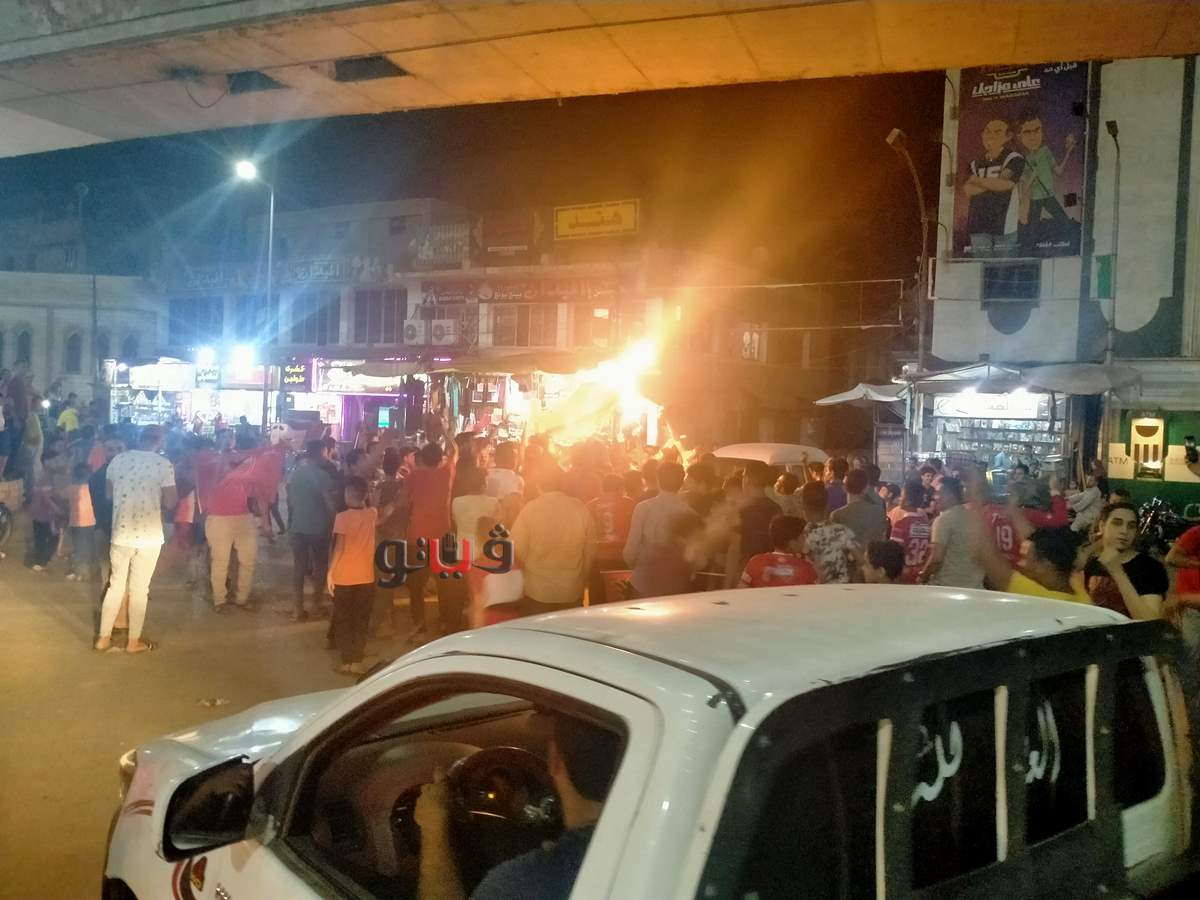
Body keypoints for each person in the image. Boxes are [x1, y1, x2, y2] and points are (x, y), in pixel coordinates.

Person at [416, 713, 620, 900]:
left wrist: (433, 827)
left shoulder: (520, 884)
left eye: (506, 791)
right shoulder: (630, 854)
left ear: (554, 760)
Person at [94, 426, 177, 653]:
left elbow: (109, 495)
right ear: (160, 441)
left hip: (121, 533)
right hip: (149, 536)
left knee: (115, 585)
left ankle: (103, 638)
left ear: (139, 439)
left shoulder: (117, 461)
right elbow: (171, 502)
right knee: (140, 589)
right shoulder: (164, 464)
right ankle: (133, 642)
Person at [511, 465, 596, 615]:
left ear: (538, 485)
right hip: (571, 589)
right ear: (563, 484)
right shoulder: (580, 509)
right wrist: (583, 580)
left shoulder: (530, 509)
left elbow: (517, 549)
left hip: (537, 589)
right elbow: (590, 552)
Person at [406, 438, 461, 638]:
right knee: (445, 584)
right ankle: (446, 622)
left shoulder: (414, 476)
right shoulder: (446, 474)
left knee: (416, 586)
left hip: (417, 536)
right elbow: (455, 450)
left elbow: (404, 500)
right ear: (439, 459)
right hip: (442, 536)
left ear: (423, 458)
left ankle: (419, 623)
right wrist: (445, 432)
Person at [327, 475, 379, 677]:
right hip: (365, 577)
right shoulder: (372, 514)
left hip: (344, 577)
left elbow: (339, 548)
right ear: (365, 495)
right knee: (361, 619)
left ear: (348, 494)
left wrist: (330, 573)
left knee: (343, 619)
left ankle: (346, 661)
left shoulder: (342, 518)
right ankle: (357, 661)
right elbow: (375, 506)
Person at [1080, 502, 1165, 619]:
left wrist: (1118, 572)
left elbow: (1149, 621)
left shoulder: (1150, 567)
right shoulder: (1092, 564)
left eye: (1131, 526)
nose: (1124, 531)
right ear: (1102, 526)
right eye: (1117, 523)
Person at [285, 440, 338, 621]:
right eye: (326, 453)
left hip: (298, 526)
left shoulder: (296, 473)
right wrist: (336, 520)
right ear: (321, 452)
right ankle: (316, 605)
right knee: (319, 567)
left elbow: (290, 500)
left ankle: (297, 609)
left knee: (299, 569)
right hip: (318, 528)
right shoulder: (322, 476)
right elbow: (329, 505)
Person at [1015, 110, 1078, 255]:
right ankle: (1029, 254)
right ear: (1020, 137)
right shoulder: (1025, 160)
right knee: (1031, 233)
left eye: (1037, 131)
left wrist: (1069, 152)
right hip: (1034, 199)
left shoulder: (1045, 151)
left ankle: (1070, 249)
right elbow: (1024, 188)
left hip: (1048, 196)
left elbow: (1059, 171)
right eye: (1027, 132)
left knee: (1064, 222)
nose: (1032, 137)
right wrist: (1032, 177)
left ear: (1042, 132)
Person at [623, 463, 690, 598]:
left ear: (658, 480)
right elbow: (695, 558)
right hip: (676, 585)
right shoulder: (689, 513)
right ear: (682, 482)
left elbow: (630, 552)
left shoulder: (643, 508)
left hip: (644, 582)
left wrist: (638, 567)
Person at [963, 117, 1025, 255]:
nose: (991, 136)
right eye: (987, 131)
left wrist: (975, 179)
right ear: (982, 135)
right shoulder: (974, 163)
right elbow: (969, 190)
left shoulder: (1014, 158)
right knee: (980, 266)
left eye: (997, 132)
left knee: (1003, 267)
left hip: (1005, 226)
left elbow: (1005, 184)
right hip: (978, 226)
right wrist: (995, 183)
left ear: (1008, 137)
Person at [919, 476, 984, 589]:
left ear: (950, 495)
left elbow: (937, 558)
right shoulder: (974, 518)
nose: (935, 497)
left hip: (947, 587)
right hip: (975, 587)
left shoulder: (944, 520)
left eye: (939, 493)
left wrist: (923, 576)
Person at [799, 481, 861, 584]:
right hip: (842, 588)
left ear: (804, 508)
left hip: (815, 589)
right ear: (827, 506)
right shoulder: (841, 530)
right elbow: (860, 559)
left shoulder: (800, 536)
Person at [587, 473, 636, 604]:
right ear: (620, 488)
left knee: (597, 600)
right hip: (621, 558)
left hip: (598, 558)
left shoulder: (591, 505)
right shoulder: (629, 504)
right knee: (621, 600)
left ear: (603, 488)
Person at [739, 515, 818, 588]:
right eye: (803, 536)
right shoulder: (806, 568)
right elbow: (815, 595)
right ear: (792, 543)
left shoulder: (755, 562)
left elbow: (741, 591)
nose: (806, 540)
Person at [28, 449, 67, 572]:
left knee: (45, 537)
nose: (58, 463)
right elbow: (46, 498)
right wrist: (58, 510)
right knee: (46, 538)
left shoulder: (48, 475)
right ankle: (40, 562)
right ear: (46, 462)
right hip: (43, 514)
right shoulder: (44, 476)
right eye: (55, 461)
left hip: (42, 513)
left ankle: (42, 560)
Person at [889, 480, 933, 584]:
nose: (899, 499)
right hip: (920, 574)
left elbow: (894, 553)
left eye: (902, 496)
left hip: (903, 575)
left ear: (907, 501)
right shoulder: (926, 525)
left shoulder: (900, 525)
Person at [831, 468, 888, 546]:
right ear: (866, 487)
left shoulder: (837, 515)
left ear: (844, 488)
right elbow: (883, 538)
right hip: (874, 552)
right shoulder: (879, 511)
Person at [63, 461, 96, 581]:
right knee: (89, 547)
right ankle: (87, 570)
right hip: (92, 522)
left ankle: (79, 572)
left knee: (79, 548)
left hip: (76, 523)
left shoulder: (70, 489)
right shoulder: (93, 489)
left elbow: (60, 496)